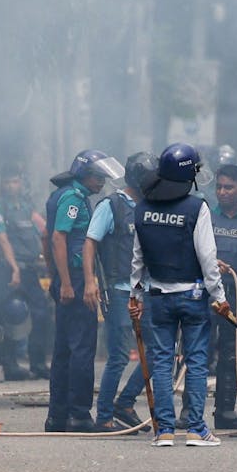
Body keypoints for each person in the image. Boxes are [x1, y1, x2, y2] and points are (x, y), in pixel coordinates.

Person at [128, 143, 230, 446]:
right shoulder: (196, 207)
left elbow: (137, 257)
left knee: (162, 363)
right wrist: (219, 296)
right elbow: (208, 258)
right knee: (196, 361)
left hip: (157, 295)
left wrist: (135, 294)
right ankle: (196, 429)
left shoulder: (142, 208)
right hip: (193, 296)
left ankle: (165, 430)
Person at [44, 150, 115, 432]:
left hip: (65, 278)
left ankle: (57, 417)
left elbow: (45, 239)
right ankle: (80, 415)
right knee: (82, 348)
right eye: (99, 177)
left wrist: (56, 279)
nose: (102, 182)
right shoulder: (73, 198)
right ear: (85, 174)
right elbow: (58, 238)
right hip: (74, 276)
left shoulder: (61, 195)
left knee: (63, 349)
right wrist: (70, 283)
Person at [84, 153, 152, 431]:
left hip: (147, 291)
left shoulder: (148, 206)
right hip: (119, 290)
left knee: (162, 351)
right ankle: (104, 416)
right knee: (119, 356)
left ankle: (124, 402)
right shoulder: (111, 205)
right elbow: (90, 242)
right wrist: (90, 281)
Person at [0, 162, 51, 380]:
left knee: (41, 314)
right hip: (9, 270)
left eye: (14, 181)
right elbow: (2, 239)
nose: (11, 186)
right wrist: (14, 268)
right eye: (7, 182)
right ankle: (10, 365)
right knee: (11, 313)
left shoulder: (26, 207)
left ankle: (38, 363)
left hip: (31, 270)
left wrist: (47, 259)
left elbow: (42, 232)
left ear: (21, 183)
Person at [209, 163, 237, 427]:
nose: (223, 192)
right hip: (206, 294)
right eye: (219, 187)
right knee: (198, 350)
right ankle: (186, 413)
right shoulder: (205, 217)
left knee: (232, 352)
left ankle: (224, 411)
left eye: (229, 187)